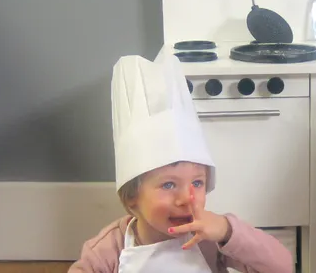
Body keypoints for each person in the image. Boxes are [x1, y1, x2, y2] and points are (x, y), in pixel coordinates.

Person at [69, 55, 293, 273]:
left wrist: (227, 231)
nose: (187, 198)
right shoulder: (108, 250)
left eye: (197, 183)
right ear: (132, 196)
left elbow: (282, 266)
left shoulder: (211, 239)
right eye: (168, 185)